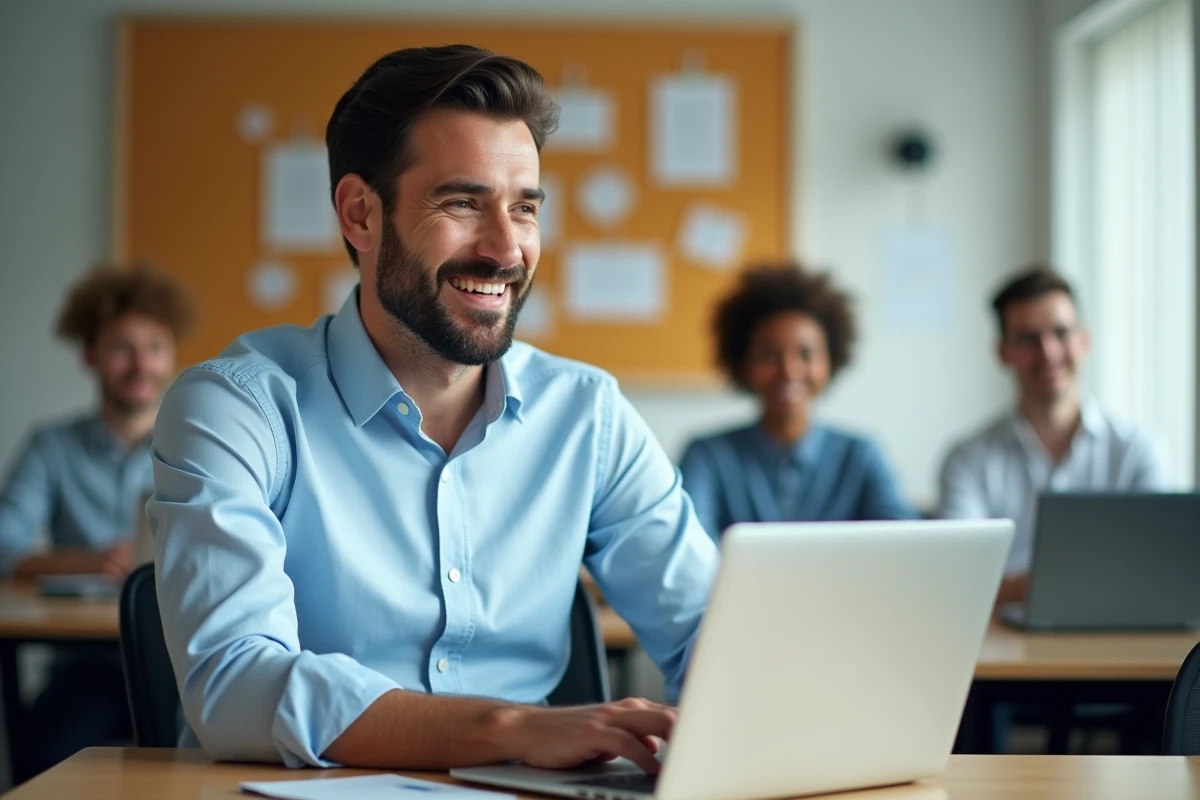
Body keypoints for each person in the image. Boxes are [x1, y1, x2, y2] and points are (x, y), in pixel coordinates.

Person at [148, 44, 718, 773]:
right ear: (360, 214)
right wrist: (509, 729)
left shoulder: (588, 416)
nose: (506, 249)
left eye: (524, 208)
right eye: (463, 203)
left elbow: (713, 632)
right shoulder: (236, 408)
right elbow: (235, 688)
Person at [0, 264, 196, 780]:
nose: (141, 364)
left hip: (185, 668)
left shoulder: (201, 448)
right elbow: (4, 542)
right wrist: (92, 561)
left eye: (155, 347)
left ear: (172, 355)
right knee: (44, 759)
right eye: (121, 348)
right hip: (84, 672)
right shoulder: (51, 447)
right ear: (90, 355)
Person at [938, 266, 1168, 604]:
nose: (1048, 352)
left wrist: (1029, 583)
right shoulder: (967, 461)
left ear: (1084, 340)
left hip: (1119, 629)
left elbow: (1162, 565)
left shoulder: (1137, 451)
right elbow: (959, 578)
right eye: (1027, 339)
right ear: (1002, 353)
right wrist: (1082, 579)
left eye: (1061, 332)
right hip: (1005, 635)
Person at [679, 265, 915, 540]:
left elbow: (904, 542)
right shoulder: (708, 457)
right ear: (743, 365)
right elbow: (689, 545)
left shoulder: (861, 456)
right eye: (769, 355)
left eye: (806, 354)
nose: (789, 371)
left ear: (829, 363)